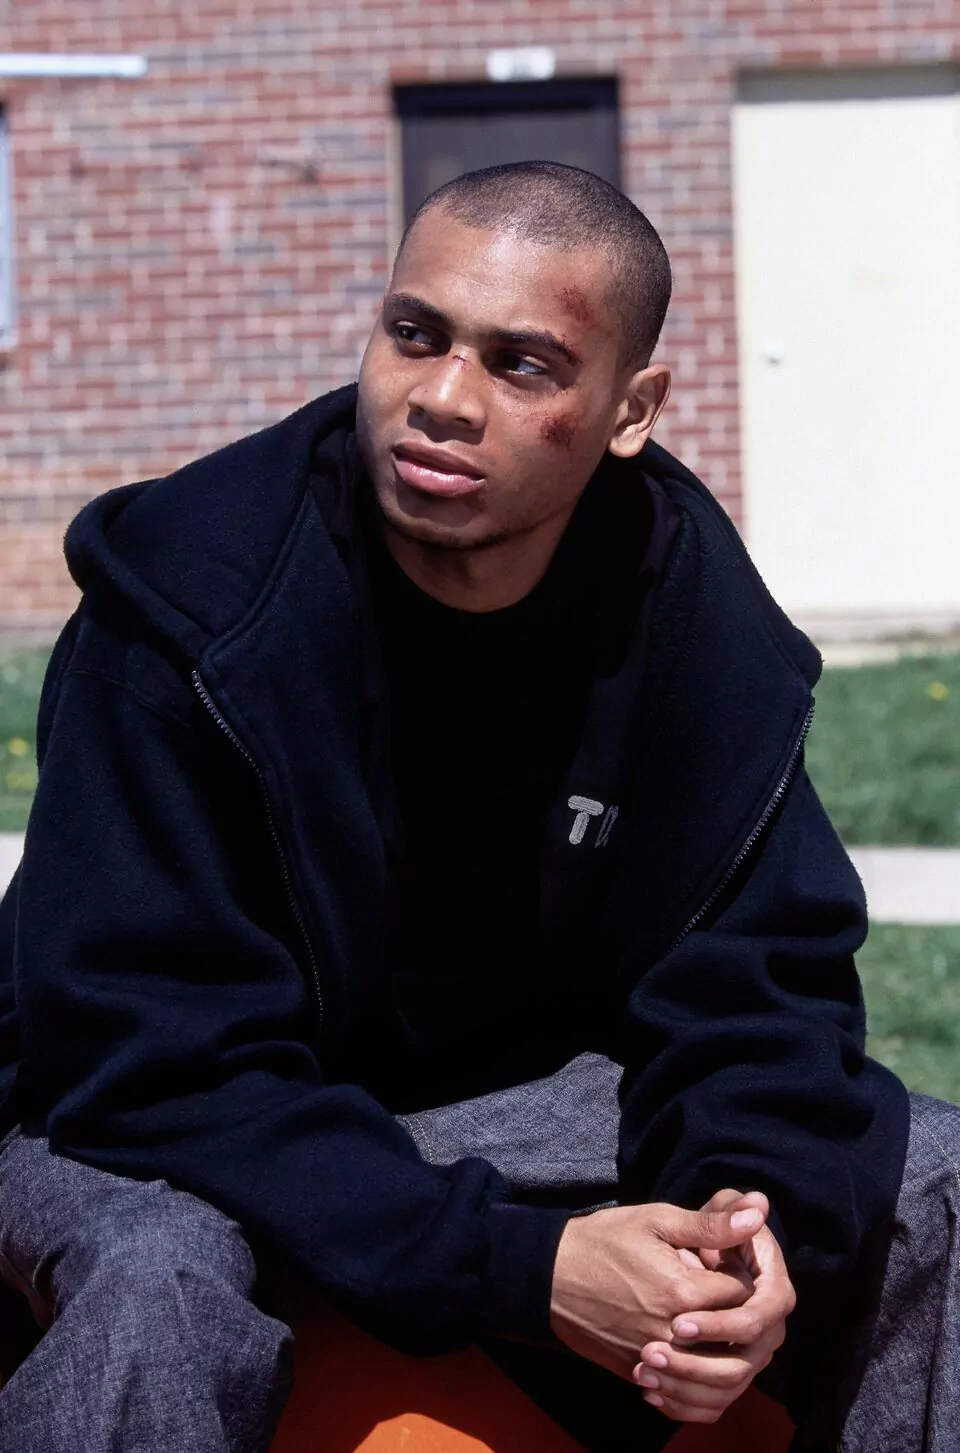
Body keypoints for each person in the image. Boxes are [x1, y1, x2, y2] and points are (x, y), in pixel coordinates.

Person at [0, 161, 955, 1453]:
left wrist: (747, 1219)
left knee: (928, 1183)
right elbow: (141, 1057)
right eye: (415, 334)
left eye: (522, 365)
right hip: (140, 1119)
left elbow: (753, 987)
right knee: (155, 1276)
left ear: (632, 410)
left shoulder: (688, 614)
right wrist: (518, 1265)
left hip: (492, 1104)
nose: (444, 399)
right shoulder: (195, 605)